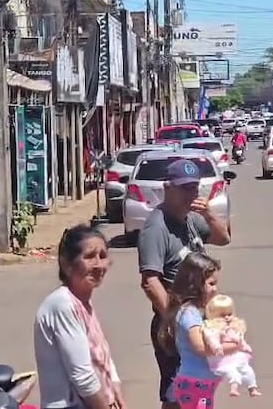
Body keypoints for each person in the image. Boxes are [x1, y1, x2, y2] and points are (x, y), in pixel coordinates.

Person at [138, 159, 231, 409]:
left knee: (195, 386)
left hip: (196, 319)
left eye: (194, 188)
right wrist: (175, 322)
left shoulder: (191, 219)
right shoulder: (156, 227)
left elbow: (224, 238)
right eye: (184, 188)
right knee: (176, 392)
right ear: (168, 189)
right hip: (173, 323)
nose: (191, 194)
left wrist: (209, 214)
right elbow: (150, 281)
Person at [34, 225, 128, 409]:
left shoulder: (81, 301)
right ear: (67, 264)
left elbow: (102, 357)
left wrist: (115, 388)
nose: (99, 265)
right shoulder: (62, 305)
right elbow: (83, 377)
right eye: (89, 257)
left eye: (103, 256)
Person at [158, 252, 227, 409]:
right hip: (195, 384)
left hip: (200, 383)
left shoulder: (195, 311)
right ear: (195, 284)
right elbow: (200, 347)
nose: (215, 289)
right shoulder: (189, 314)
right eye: (211, 284)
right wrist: (226, 347)